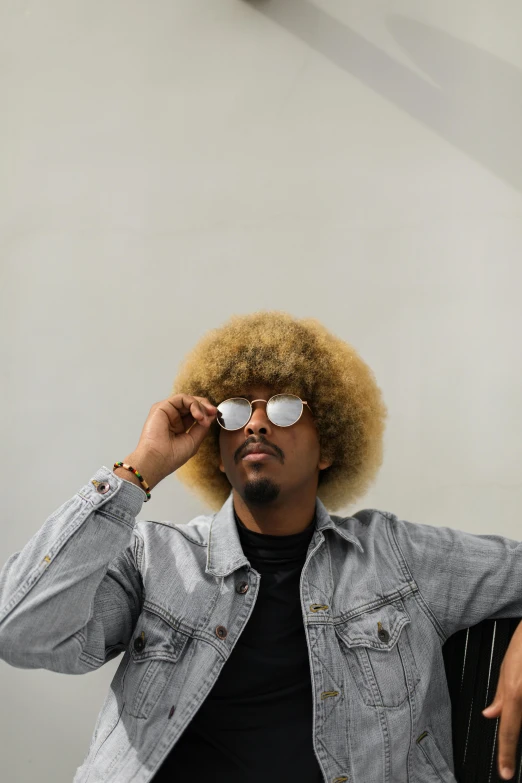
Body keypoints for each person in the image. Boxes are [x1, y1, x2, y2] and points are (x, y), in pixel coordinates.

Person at [0, 309, 521, 783]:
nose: (255, 421)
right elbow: (21, 632)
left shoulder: (396, 556)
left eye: (286, 407)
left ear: (329, 447)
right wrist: (139, 470)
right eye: (233, 411)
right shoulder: (155, 560)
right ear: (218, 453)